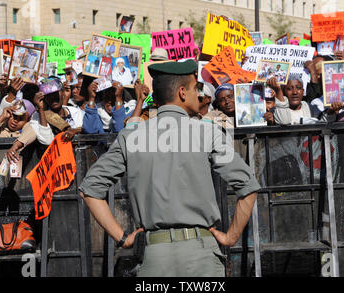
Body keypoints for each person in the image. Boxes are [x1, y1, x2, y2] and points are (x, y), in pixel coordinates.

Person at [79, 60, 260, 277]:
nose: (199, 95)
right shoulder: (207, 132)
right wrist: (231, 237)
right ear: (182, 92)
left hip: (154, 256)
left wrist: (122, 237)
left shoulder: (131, 136)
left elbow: (90, 189)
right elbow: (248, 186)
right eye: (196, 89)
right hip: (200, 255)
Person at [0, 98, 37, 162]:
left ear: (28, 120)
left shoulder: (28, 129)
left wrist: (16, 146)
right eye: (14, 116)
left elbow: (33, 130)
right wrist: (2, 117)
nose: (15, 120)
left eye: (21, 119)